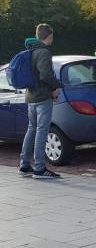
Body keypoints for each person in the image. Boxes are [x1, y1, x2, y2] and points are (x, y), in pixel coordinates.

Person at [19, 24, 63, 179]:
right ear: (49, 36)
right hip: (42, 97)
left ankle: (24, 166)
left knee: (32, 129)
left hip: (30, 96)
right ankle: (39, 168)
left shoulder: (29, 50)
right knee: (41, 131)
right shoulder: (43, 52)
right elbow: (45, 75)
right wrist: (57, 86)